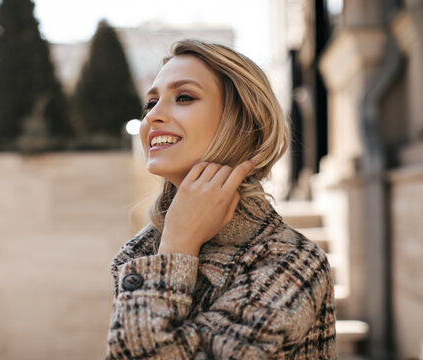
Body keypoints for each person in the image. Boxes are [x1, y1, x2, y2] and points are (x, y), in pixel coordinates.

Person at [105, 40, 336, 359]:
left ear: (242, 122)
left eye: (183, 97)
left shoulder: (291, 263)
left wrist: (178, 246)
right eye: (151, 103)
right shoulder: (138, 252)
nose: (153, 116)